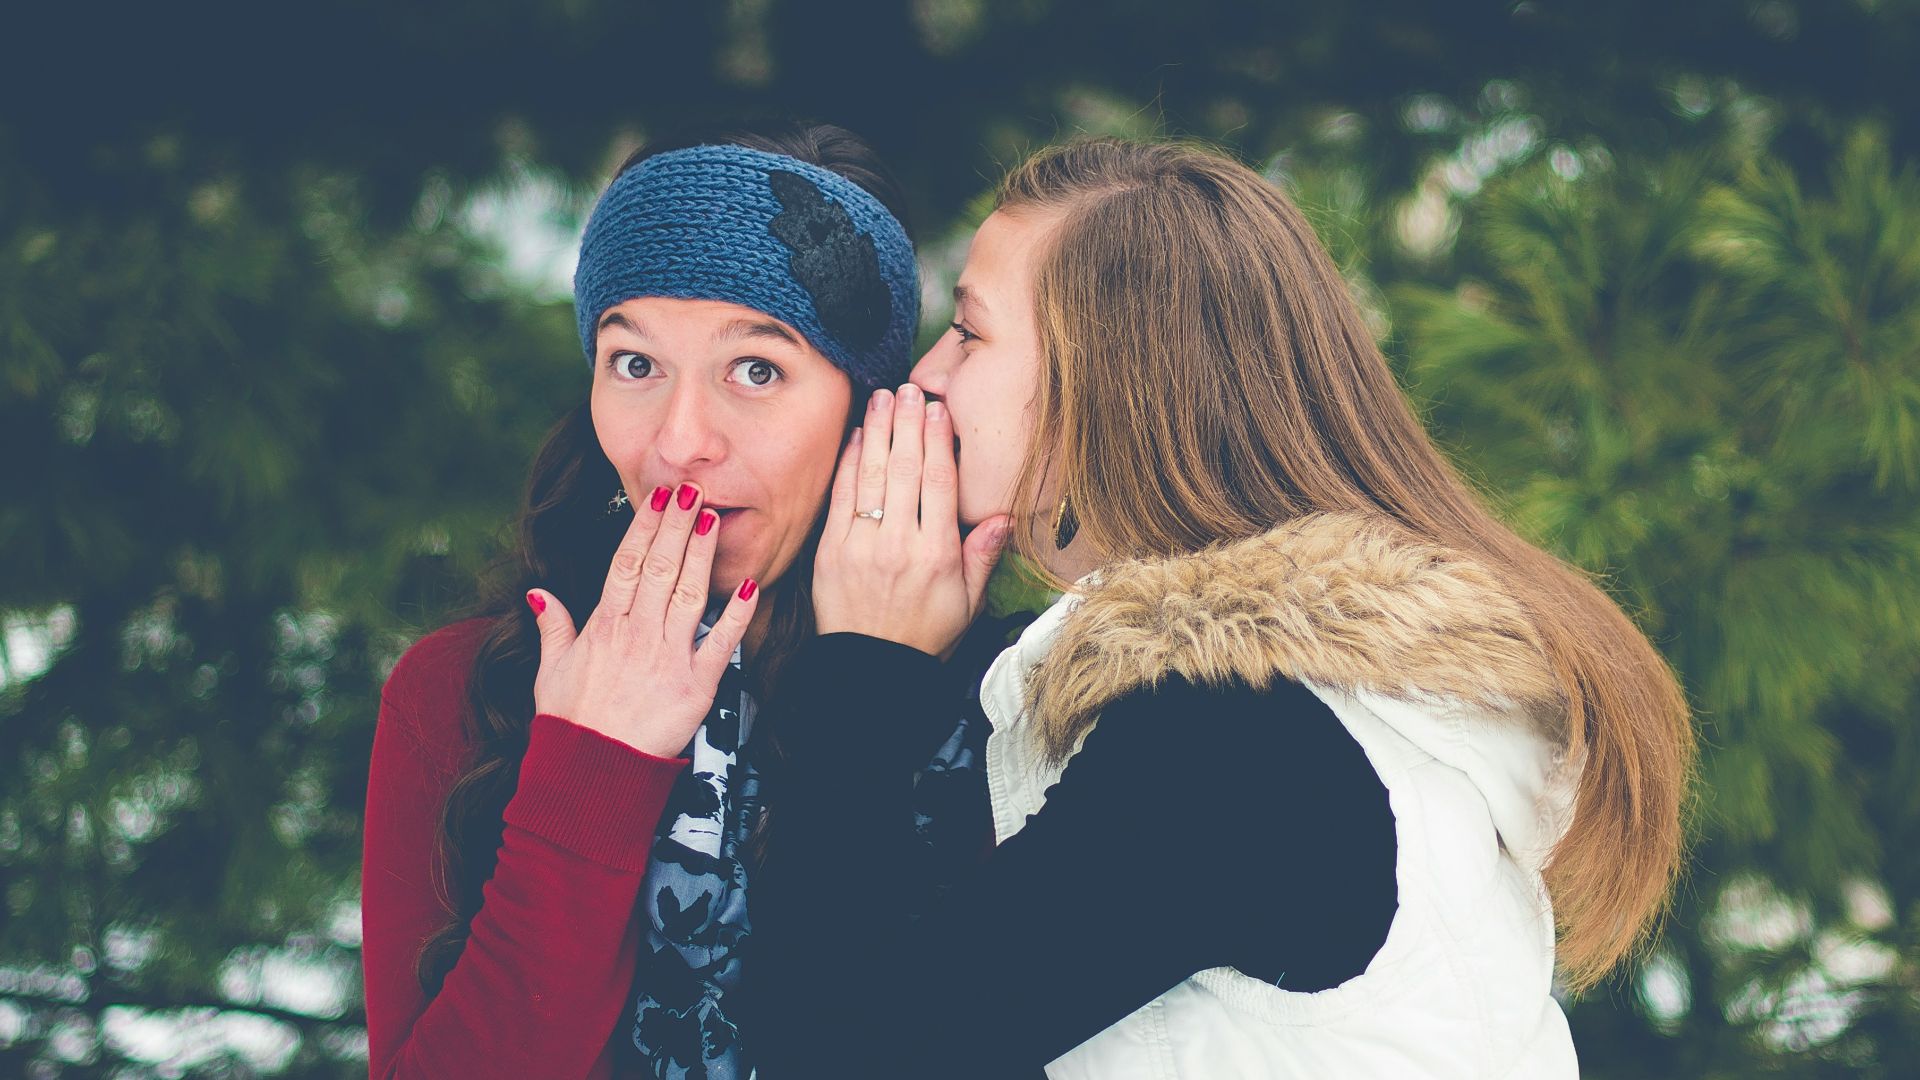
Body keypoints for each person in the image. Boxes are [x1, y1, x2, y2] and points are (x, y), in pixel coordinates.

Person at [745, 138, 1695, 1078]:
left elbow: (841, 1051)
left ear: (1102, 391)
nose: (926, 377)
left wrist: (863, 678)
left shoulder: (1236, 745)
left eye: (970, 331)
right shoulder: (1303, 707)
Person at [359, 121, 925, 1080]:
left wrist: (871, 687)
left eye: (758, 369)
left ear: (868, 410)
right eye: (635, 363)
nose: (680, 441)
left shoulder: (976, 691)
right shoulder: (463, 690)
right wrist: (594, 770)